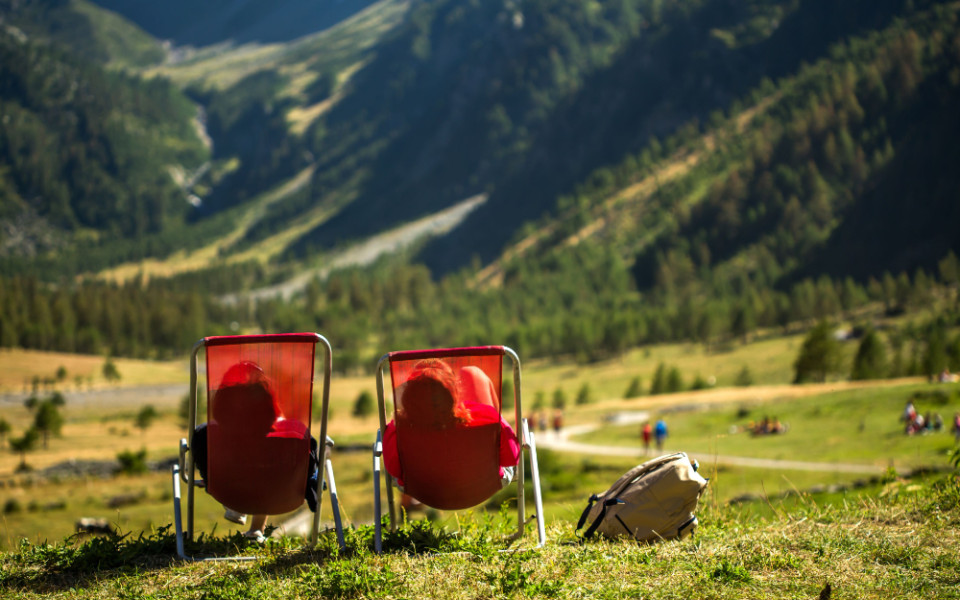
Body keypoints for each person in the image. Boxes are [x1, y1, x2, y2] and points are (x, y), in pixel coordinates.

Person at [193, 361, 318, 542]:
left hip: (228, 491)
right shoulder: (294, 435)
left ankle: (238, 507)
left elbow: (207, 471)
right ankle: (256, 530)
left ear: (220, 406)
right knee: (267, 474)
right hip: (281, 495)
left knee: (251, 472)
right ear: (271, 404)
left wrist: (217, 484)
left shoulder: (206, 435)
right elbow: (310, 471)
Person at [382, 360, 520, 490]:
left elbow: (393, 469)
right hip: (483, 486)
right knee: (473, 373)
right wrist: (498, 418)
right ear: (454, 391)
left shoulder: (400, 429)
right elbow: (512, 458)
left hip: (422, 490)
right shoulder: (485, 415)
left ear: (409, 396)